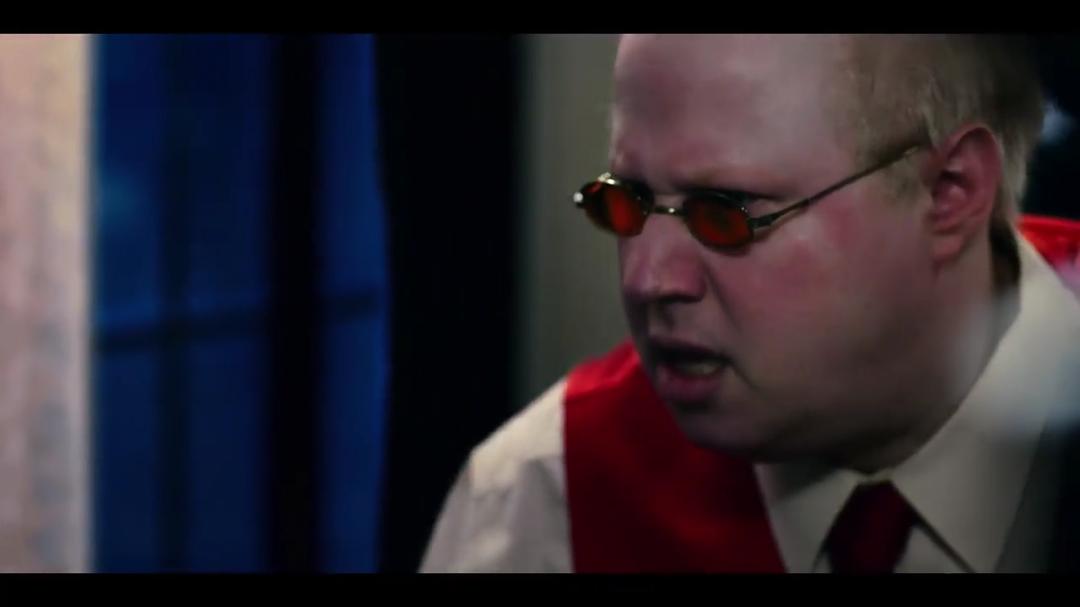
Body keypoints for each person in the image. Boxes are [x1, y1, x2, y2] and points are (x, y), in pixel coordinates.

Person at [421, 34, 1080, 573]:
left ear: (950, 192)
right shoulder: (543, 498)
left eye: (725, 211)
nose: (648, 280)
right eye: (627, 201)